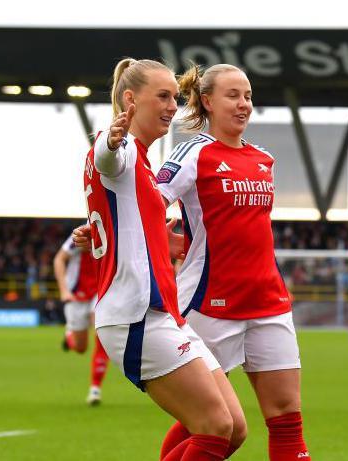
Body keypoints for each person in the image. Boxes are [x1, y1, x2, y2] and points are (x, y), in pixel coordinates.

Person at [97, 62, 310, 461]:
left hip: (269, 301)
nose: (243, 104)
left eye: (247, 96)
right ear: (207, 101)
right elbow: (144, 203)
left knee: (287, 421)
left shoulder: (263, 158)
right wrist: (104, 231)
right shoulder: (193, 153)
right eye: (233, 95)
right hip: (210, 301)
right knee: (209, 423)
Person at [85, 57, 237, 461]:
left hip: (163, 313)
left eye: (177, 96)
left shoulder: (143, 163)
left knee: (233, 428)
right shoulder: (123, 150)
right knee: (215, 426)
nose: (174, 105)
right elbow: (106, 157)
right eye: (164, 96)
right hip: (136, 314)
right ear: (131, 99)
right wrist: (112, 139)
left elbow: (120, 217)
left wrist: (161, 243)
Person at [53, 234, 109, 405]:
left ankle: (95, 388)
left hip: (100, 292)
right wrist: (63, 290)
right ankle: (70, 337)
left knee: (102, 333)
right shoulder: (78, 235)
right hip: (76, 295)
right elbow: (59, 259)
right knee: (80, 347)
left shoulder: (110, 232)